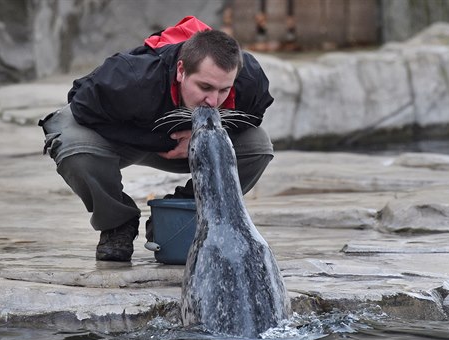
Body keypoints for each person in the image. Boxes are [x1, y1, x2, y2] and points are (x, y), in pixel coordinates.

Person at [39, 16, 274, 262]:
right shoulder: (132, 76)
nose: (214, 101)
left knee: (257, 147)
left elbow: (253, 117)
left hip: (185, 145)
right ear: (182, 71)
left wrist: (201, 135)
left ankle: (180, 215)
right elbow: (80, 104)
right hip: (127, 138)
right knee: (72, 143)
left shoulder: (249, 80)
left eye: (223, 90)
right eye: (204, 87)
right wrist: (158, 140)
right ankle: (117, 223)